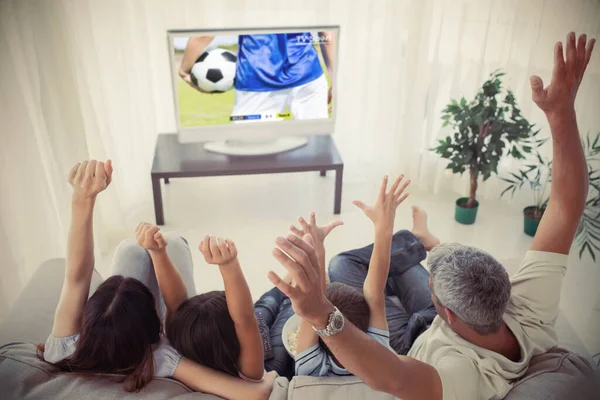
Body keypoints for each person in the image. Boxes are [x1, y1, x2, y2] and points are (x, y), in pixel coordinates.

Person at [267, 32, 596, 399]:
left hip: (413, 339)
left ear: (447, 313)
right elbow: (567, 206)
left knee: (343, 267)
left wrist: (319, 313)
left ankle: (415, 242)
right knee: (365, 274)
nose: (431, 282)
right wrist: (561, 113)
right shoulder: (530, 304)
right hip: (441, 317)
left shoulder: (460, 372)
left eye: (433, 285)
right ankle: (422, 241)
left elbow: (393, 378)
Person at [38, 159, 276, 400]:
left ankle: (157, 248)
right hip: (194, 341)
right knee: (170, 244)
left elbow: (76, 278)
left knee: (130, 251)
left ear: (89, 319)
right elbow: (185, 308)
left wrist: (82, 198)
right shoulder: (158, 358)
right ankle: (166, 246)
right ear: (155, 328)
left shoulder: (64, 348)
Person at [136, 214, 344, 381]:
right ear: (233, 333)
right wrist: (229, 265)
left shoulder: (178, 337)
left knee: (269, 301)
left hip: (253, 328)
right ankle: (312, 270)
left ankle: (292, 278)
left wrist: (158, 252)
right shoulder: (249, 369)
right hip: (270, 360)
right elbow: (244, 317)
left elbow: (176, 302)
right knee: (292, 306)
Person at [294, 175, 418, 377]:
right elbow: (374, 292)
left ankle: (417, 239)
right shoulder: (379, 354)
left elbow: (316, 305)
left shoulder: (311, 369)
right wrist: (383, 226)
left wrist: (317, 252)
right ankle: (417, 239)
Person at [179, 31, 335, 120]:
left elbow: (205, 34)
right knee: (315, 147)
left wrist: (184, 69)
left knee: (248, 154)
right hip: (308, 73)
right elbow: (326, 35)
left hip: (258, 79)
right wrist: (336, 80)